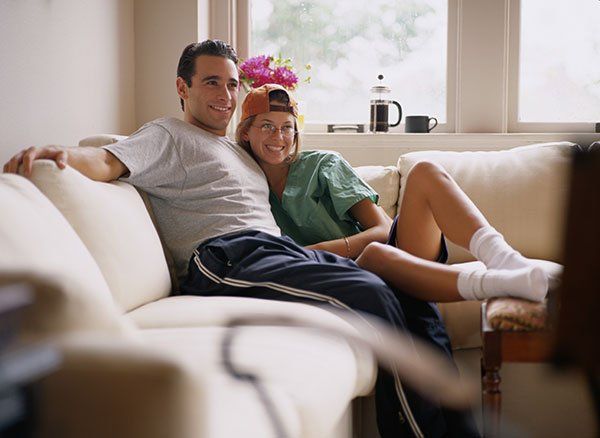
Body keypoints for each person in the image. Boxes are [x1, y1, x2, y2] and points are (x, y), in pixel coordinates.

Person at [3, 40, 478, 437]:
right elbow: (106, 161)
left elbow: (283, 155)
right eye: (211, 81)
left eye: (232, 83)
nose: (225, 94)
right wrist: (58, 153)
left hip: (275, 252)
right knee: (370, 294)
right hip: (225, 258)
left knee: (409, 295)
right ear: (181, 88)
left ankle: (462, 431)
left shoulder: (239, 151)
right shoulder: (167, 134)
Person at [236, 84, 553, 305]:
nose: (278, 136)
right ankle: (503, 284)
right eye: (266, 126)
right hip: (348, 274)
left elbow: (384, 230)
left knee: (425, 172)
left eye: (287, 127)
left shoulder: (322, 165)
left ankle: (506, 261)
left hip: (401, 249)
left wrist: (318, 250)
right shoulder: (240, 183)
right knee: (377, 257)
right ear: (246, 131)